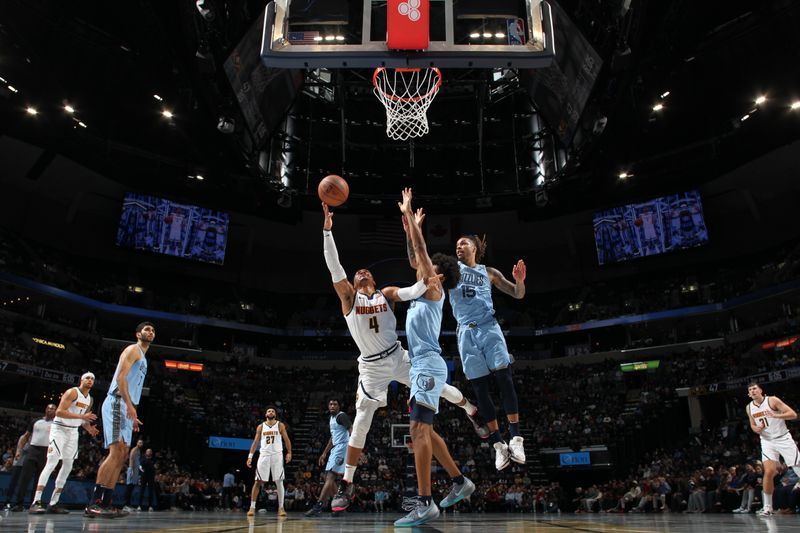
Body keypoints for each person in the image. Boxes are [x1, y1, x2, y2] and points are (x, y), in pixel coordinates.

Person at [320, 202, 487, 512]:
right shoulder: (348, 298)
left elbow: (411, 291)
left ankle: (469, 407)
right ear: (353, 283)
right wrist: (328, 231)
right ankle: (347, 483)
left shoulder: (386, 293)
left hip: (398, 355)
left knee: (432, 385)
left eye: (366, 271)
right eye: (358, 273)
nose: (363, 273)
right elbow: (334, 266)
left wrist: (427, 279)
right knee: (361, 423)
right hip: (370, 367)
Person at [394, 188, 475, 527]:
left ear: (437, 274)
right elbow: (416, 256)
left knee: (416, 429)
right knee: (426, 431)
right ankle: (460, 481)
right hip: (423, 365)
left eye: (426, 268)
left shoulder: (435, 288)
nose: (419, 269)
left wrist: (413, 218)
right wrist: (408, 225)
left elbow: (422, 253)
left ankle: (425, 502)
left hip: (427, 363)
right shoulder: (424, 291)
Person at [448, 232, 526, 470]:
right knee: (480, 390)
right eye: (457, 245)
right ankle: (499, 445)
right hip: (465, 333)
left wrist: (520, 280)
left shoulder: (489, 272)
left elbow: (517, 293)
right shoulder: (450, 272)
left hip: (489, 328)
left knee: (505, 379)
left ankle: (515, 438)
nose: (459, 246)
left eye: (464, 243)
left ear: (475, 247)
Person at [85, 321, 155, 519]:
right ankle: (94, 503)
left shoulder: (144, 359)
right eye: (147, 329)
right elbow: (120, 379)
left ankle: (106, 502)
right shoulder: (133, 350)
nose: (150, 332)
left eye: (153, 330)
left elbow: (133, 387)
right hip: (117, 401)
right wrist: (129, 406)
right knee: (115, 452)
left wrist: (132, 412)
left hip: (126, 406)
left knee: (123, 454)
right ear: (138, 333)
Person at [29, 373, 99, 514]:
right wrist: (81, 417)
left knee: (68, 466)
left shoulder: (89, 399)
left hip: (73, 432)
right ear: (81, 380)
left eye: (92, 379)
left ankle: (53, 503)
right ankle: (36, 502)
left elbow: (82, 420)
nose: (90, 380)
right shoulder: (72, 392)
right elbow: (60, 412)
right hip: (59, 429)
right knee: (52, 462)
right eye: (88, 378)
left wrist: (89, 428)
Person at [746, 382, 800, 516]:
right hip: (767, 441)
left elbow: (793, 414)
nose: (752, 391)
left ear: (760, 390)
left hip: (782, 438)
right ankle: (768, 508)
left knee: (798, 468)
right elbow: (752, 424)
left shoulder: (772, 400)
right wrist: (755, 429)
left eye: (754, 388)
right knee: (769, 472)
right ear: (748, 394)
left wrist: (777, 415)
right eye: (750, 390)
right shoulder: (749, 407)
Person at [305, 399, 351, 517]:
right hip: (336, 448)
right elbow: (332, 438)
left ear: (339, 406)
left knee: (330, 477)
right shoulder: (331, 419)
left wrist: (357, 450)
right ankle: (339, 507)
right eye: (330, 404)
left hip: (342, 448)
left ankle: (318, 506)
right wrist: (324, 453)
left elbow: (352, 431)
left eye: (335, 404)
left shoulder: (342, 416)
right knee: (328, 477)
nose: (332, 406)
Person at [7, 404, 56, 511]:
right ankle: (18, 504)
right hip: (32, 450)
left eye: (53, 408)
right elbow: (25, 436)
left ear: (56, 411)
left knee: (40, 480)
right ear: (45, 409)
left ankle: (35, 503)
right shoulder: (36, 421)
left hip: (47, 452)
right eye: (48, 408)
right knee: (24, 478)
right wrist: (19, 450)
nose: (50, 410)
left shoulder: (57, 423)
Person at [246, 406, 292, 517]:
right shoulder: (260, 427)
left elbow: (286, 439)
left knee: (279, 481)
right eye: (268, 411)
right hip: (264, 455)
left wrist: (289, 452)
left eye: (272, 411)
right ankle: (252, 507)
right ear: (266, 414)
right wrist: (250, 456)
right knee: (258, 481)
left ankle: (281, 508)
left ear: (275, 414)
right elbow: (255, 442)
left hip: (277, 455)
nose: (270, 412)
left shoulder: (280, 425)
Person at [123, 439, 144, 512]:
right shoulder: (134, 449)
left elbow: (137, 461)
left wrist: (139, 468)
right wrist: (131, 470)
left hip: (136, 470)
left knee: (132, 488)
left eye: (142, 443)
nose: (141, 444)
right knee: (129, 487)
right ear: (137, 443)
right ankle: (125, 505)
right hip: (132, 470)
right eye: (139, 442)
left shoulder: (139, 451)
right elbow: (131, 459)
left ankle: (128, 504)